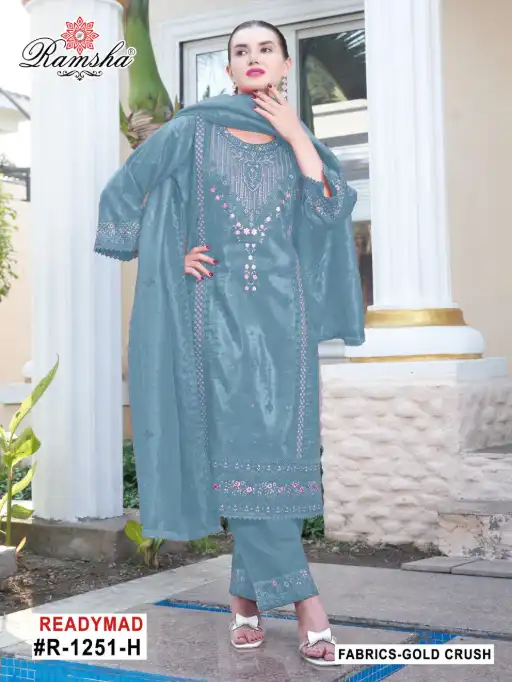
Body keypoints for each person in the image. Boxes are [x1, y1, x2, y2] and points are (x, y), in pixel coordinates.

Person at [94, 20, 364, 667]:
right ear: (229, 66)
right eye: (240, 50)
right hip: (211, 324)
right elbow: (123, 189)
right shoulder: (193, 131)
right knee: (240, 459)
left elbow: (329, 213)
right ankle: (308, 606)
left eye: (265, 49)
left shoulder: (301, 141)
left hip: (284, 327)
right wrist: (167, 255)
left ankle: (244, 601)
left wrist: (296, 135)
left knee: (274, 464)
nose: (252, 57)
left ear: (285, 64)